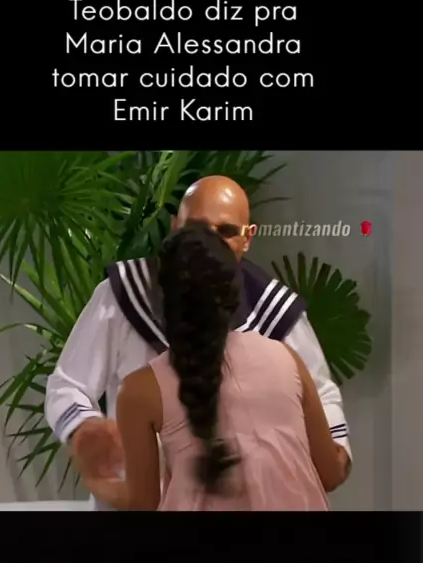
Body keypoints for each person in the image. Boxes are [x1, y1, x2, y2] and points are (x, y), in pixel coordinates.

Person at [44, 176, 352, 507]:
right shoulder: (121, 298)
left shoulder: (277, 317)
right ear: (175, 227)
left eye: (225, 231)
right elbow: (68, 385)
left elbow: (323, 402)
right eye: (198, 228)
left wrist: (336, 453)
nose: (209, 243)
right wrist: (84, 428)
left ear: (247, 238)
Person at [91, 222, 341, 510]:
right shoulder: (287, 359)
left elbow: (143, 504)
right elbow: (331, 474)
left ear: (160, 301)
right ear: (235, 293)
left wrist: (97, 482)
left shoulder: (140, 391)